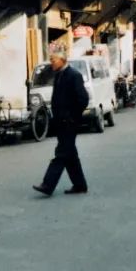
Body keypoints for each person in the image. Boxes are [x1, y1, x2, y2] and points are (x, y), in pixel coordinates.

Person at [33, 49, 90, 197]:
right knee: (70, 155)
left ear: (62, 60)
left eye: (53, 60)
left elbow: (83, 99)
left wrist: (73, 117)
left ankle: (48, 184)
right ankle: (80, 185)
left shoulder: (74, 76)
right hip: (60, 121)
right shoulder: (59, 75)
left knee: (61, 153)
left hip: (69, 122)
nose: (51, 62)